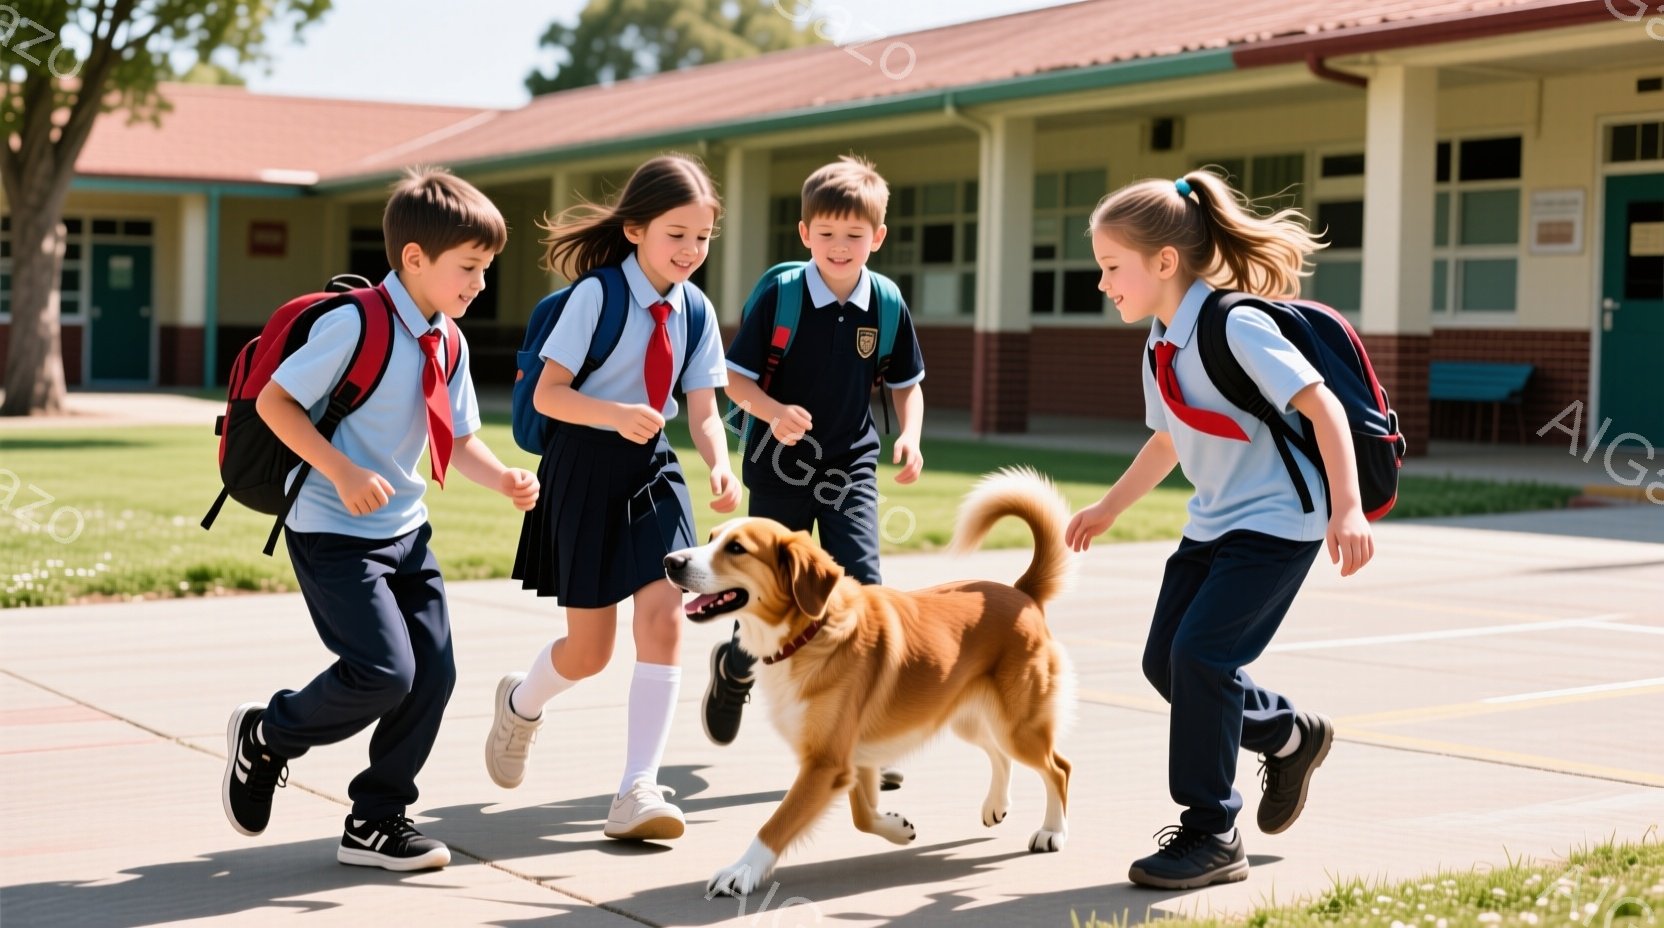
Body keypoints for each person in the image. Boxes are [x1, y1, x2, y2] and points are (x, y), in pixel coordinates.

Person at [223, 167, 539, 871]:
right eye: (469, 268)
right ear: (415, 259)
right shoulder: (353, 324)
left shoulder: (445, 340)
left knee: (433, 674)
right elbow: (277, 405)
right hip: (332, 530)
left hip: (405, 533)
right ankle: (268, 735)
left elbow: (454, 437)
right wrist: (340, 468)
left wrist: (504, 480)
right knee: (383, 672)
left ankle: (376, 819)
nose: (479, 285)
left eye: (487, 270)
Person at [1064, 170, 1374, 890]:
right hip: (1212, 526)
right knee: (1166, 664)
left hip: (1277, 524)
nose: (1104, 282)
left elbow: (1322, 407)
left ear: (1164, 262)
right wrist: (1109, 507)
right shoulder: (1160, 341)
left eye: (1113, 267)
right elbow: (1169, 439)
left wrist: (1347, 507)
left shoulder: (1236, 324)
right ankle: (1292, 736)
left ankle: (1211, 832)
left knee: (1202, 657)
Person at [484, 154, 740, 841]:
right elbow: (548, 395)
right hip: (583, 466)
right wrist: (616, 413)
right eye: (675, 234)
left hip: (654, 469)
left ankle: (637, 791)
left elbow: (703, 408)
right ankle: (520, 701)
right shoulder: (596, 297)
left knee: (665, 620)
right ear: (634, 230)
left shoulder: (696, 308)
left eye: (702, 237)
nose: (690, 250)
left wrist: (719, 464)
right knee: (590, 650)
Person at [702, 156, 925, 790]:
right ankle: (738, 666)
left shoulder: (884, 302)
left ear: (877, 238)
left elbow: (907, 382)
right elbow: (736, 381)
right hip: (778, 468)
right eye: (826, 234)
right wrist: (772, 412)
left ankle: (863, 739)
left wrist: (908, 434)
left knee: (864, 590)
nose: (839, 247)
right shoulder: (782, 293)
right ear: (805, 234)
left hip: (851, 462)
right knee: (772, 597)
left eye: (854, 236)